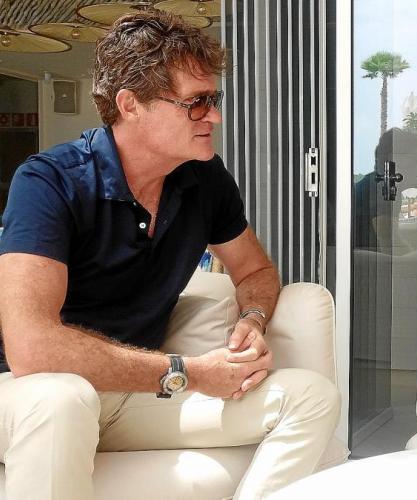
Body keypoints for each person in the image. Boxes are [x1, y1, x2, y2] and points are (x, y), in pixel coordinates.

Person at [0, 12, 339, 500]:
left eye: (213, 100)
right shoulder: (49, 181)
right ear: (130, 105)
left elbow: (256, 270)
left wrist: (253, 318)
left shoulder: (204, 178)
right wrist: (189, 372)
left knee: (312, 396)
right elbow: (32, 349)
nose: (214, 117)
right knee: (62, 399)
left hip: (134, 391)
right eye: (196, 103)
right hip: (28, 392)